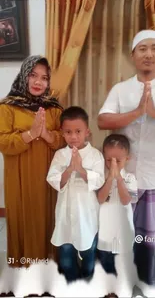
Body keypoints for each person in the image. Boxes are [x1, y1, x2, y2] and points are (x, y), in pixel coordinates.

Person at [98, 29, 155, 286]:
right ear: (133, 54)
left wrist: (151, 112)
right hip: (123, 176)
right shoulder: (121, 89)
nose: (149, 54)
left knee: (149, 237)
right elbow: (102, 120)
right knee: (120, 234)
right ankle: (118, 281)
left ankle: (146, 282)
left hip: (153, 177)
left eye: (154, 48)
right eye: (142, 49)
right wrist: (136, 112)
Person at [0, 55, 64, 268]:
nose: (38, 82)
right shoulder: (7, 107)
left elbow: (65, 140)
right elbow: (2, 141)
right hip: (18, 178)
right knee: (22, 220)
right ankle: (23, 273)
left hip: (48, 179)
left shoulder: (54, 108)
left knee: (48, 220)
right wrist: (30, 134)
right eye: (33, 75)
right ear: (23, 76)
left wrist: (46, 134)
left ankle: (48, 271)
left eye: (44, 78)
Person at [47, 106, 105, 283]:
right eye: (68, 132)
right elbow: (54, 180)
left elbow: (99, 181)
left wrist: (79, 169)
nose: (73, 136)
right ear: (62, 133)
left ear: (87, 132)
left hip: (87, 215)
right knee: (66, 251)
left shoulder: (95, 155)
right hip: (65, 213)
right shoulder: (59, 155)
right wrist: (70, 168)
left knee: (88, 249)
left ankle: (87, 276)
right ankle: (71, 280)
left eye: (78, 131)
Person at [97, 134, 137, 297]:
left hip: (123, 231)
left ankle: (123, 290)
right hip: (106, 230)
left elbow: (126, 199)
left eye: (118, 161)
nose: (113, 164)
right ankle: (109, 291)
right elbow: (100, 198)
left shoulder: (130, 178)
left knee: (122, 263)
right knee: (106, 261)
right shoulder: (101, 177)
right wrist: (109, 179)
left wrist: (118, 178)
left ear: (127, 158)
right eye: (109, 160)